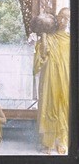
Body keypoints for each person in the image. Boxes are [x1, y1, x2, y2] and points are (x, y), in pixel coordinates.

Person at [33, 8, 70, 154]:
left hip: (66, 78)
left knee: (64, 106)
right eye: (61, 17)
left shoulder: (70, 39)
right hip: (50, 77)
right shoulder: (48, 37)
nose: (63, 21)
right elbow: (41, 56)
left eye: (67, 18)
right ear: (56, 18)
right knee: (49, 105)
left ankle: (62, 141)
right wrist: (43, 36)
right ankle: (47, 143)